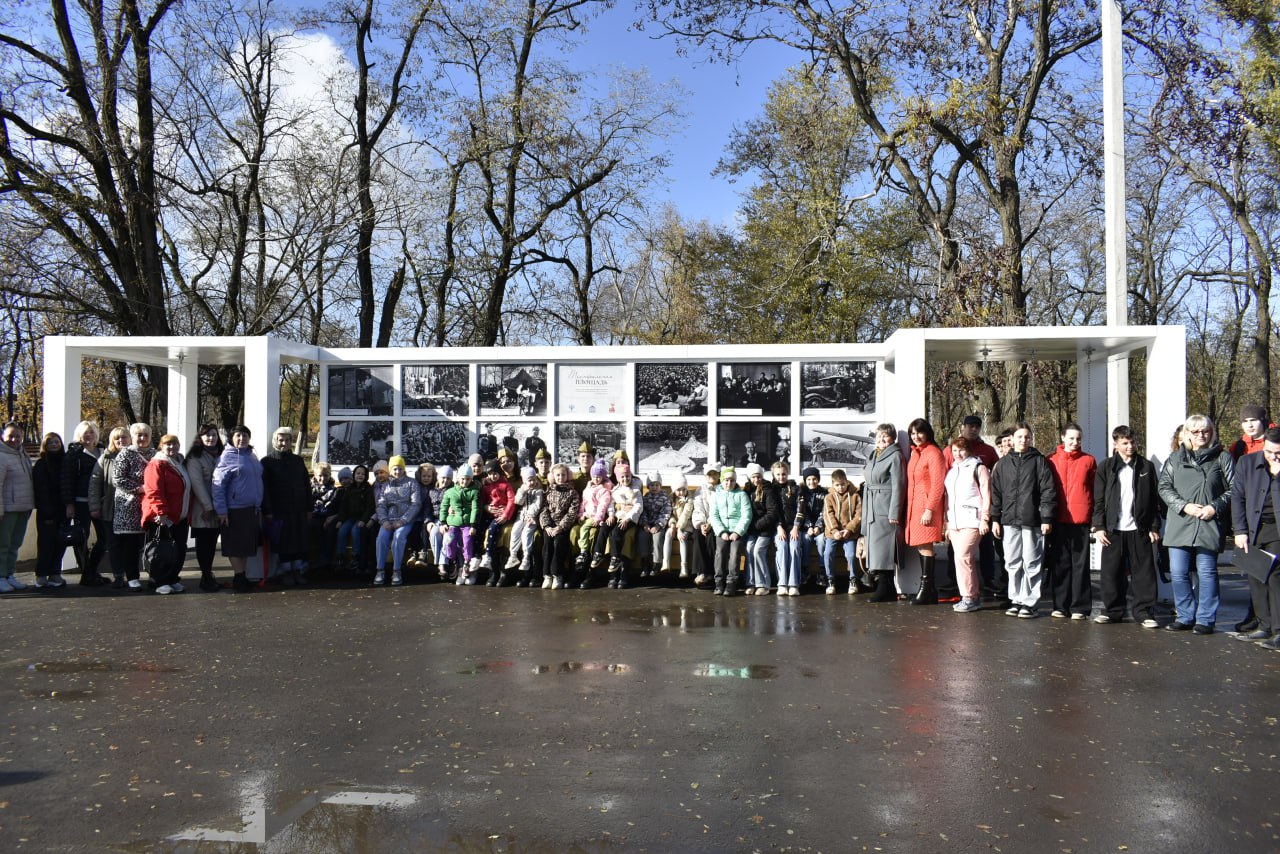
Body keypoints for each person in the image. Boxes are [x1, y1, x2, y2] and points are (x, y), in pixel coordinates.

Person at [1158, 414, 1233, 634]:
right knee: (1178, 572)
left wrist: (1214, 507)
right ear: (1187, 433)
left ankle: (1206, 619)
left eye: (1205, 431)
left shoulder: (1223, 458)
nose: (1201, 435)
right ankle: (1184, 616)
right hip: (1181, 521)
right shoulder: (1175, 459)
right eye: (1195, 431)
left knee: (1207, 571)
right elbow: (1164, 487)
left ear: (1212, 432)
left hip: (1208, 522)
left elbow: (1234, 488)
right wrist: (1184, 506)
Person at [1091, 425, 1162, 627]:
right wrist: (1099, 526)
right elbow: (1098, 500)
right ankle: (1113, 610)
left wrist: (1154, 526)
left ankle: (1144, 612)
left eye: (1132, 442)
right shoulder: (1106, 467)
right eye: (1125, 443)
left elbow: (1154, 500)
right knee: (1111, 572)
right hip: (1113, 530)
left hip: (1140, 529)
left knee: (1144, 573)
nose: (1130, 446)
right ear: (1115, 444)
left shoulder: (1146, 467)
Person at [989, 422, 1057, 618]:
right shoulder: (1002, 464)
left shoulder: (1039, 461)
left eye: (1027, 436)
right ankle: (1016, 599)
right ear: (1012, 439)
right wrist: (995, 519)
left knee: (1032, 561)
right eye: (1020, 437)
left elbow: (1047, 491)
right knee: (1012, 561)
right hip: (1009, 521)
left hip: (1032, 520)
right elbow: (996, 494)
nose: (1023, 440)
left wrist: (1046, 517)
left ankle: (1030, 602)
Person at [1230, 426, 1280, 650]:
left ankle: (1278, 630)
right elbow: (1238, 498)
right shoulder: (1247, 463)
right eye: (1270, 452)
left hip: (1277, 530)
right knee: (1255, 577)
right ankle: (1264, 625)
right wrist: (1239, 530)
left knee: (1275, 578)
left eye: (1278, 453)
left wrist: (1277, 477)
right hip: (1252, 529)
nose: (1273, 457)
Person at [1046, 423, 1097, 620]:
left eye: (1078, 439)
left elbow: (1094, 490)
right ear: (1063, 438)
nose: (1075, 442)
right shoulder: (1050, 460)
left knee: (1080, 565)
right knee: (1060, 564)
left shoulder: (1089, 461)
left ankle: (1080, 608)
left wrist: (1094, 518)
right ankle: (1060, 605)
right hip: (1058, 519)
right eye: (1071, 438)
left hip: (1081, 520)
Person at [1229, 404, 1270, 633]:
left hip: (1270, 514)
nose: (1250, 424)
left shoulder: (1273, 442)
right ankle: (1255, 613)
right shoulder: (1239, 447)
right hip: (1249, 515)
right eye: (1245, 421)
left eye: (1253, 420)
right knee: (1254, 571)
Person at [212, 425, 264, 593]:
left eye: (245, 436)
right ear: (231, 438)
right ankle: (238, 577)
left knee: (245, 546)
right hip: (234, 510)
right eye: (238, 436)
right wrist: (221, 511)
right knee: (235, 546)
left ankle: (242, 577)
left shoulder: (251, 455)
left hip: (251, 509)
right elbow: (218, 486)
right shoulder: (226, 457)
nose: (242, 439)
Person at [943, 436, 991, 613]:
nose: (957, 454)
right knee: (964, 559)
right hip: (955, 523)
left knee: (961, 556)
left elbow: (986, 495)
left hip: (972, 520)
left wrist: (985, 518)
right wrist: (947, 524)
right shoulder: (952, 470)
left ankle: (968, 596)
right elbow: (948, 499)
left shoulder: (978, 468)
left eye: (961, 450)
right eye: (954, 450)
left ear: (969, 450)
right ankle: (973, 596)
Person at [261, 427, 313, 586]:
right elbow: (265, 488)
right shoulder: (267, 461)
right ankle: (286, 572)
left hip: (298, 508)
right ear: (275, 441)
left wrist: (309, 507)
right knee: (283, 542)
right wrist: (268, 510)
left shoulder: (297, 460)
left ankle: (297, 570)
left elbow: (306, 484)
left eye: (287, 440)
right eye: (280, 440)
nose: (284, 443)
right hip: (279, 509)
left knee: (298, 540)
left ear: (291, 441)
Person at [141, 434, 192, 594]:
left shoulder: (178, 463)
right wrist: (161, 512)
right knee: (160, 551)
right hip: (162, 517)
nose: (172, 447)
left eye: (174, 444)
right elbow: (153, 490)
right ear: (161, 447)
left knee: (178, 550)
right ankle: (158, 581)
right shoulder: (156, 464)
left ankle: (172, 578)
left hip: (179, 516)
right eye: (167, 444)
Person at [61, 420, 109, 586]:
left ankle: (91, 570)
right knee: (82, 538)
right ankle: (87, 574)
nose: (88, 435)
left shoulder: (103, 451)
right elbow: (67, 480)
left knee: (105, 539)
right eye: (85, 432)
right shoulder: (74, 454)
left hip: (101, 502)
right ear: (79, 435)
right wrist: (69, 504)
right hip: (81, 502)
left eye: (91, 432)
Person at [904, 418, 946, 605]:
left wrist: (930, 509)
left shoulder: (934, 453)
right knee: (921, 545)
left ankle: (926, 588)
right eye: (913, 433)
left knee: (926, 545)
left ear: (927, 432)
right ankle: (930, 590)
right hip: (915, 507)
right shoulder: (915, 454)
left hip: (927, 508)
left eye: (919, 432)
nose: (916, 436)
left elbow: (938, 485)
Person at [112, 423, 156, 591]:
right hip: (129, 507)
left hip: (149, 506)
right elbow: (118, 479)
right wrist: (140, 488)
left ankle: (154, 574)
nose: (142, 438)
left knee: (150, 542)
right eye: (139, 435)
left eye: (146, 435)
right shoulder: (125, 454)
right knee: (130, 545)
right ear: (133, 436)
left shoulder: (154, 454)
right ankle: (132, 577)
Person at [862, 424, 903, 603]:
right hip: (872, 504)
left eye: (885, 436)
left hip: (884, 507)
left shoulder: (895, 456)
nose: (881, 439)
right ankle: (887, 587)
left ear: (892, 438)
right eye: (879, 436)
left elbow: (899, 486)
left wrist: (894, 511)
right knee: (876, 548)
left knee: (884, 549)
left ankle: (885, 587)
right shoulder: (874, 454)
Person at [185, 425, 225, 592]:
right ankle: (206, 576)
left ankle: (209, 575)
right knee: (204, 544)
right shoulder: (195, 458)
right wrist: (208, 507)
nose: (211, 438)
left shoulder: (222, 455)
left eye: (214, 435)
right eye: (207, 435)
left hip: (219, 507)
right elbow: (197, 484)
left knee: (211, 544)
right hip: (203, 509)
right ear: (200, 438)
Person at [89, 427, 129, 588]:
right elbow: (94, 484)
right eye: (117, 438)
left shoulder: (136, 455)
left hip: (131, 509)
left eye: (124, 437)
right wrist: (95, 506)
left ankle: (132, 574)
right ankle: (118, 574)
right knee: (113, 544)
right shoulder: (105, 458)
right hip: (110, 508)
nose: (121, 441)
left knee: (130, 544)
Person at [373, 455, 419, 586]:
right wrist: (384, 520)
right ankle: (380, 570)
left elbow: (416, 504)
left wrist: (403, 521)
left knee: (398, 537)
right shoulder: (386, 485)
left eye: (400, 469)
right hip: (388, 520)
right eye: (394, 469)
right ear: (390, 470)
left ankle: (397, 570)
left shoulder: (412, 483)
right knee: (381, 538)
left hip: (405, 520)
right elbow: (381, 504)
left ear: (403, 469)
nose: (397, 472)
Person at [32, 432, 70, 588]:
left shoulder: (65, 462)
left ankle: (55, 573)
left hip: (63, 509)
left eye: (57, 441)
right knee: (46, 543)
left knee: (60, 542)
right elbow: (40, 490)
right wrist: (47, 511)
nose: (54, 444)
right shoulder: (41, 464)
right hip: (47, 510)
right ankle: (41, 574)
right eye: (50, 442)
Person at [0, 422, 34, 592]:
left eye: (17, 436)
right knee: (3, 545)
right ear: (3, 437)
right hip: (8, 509)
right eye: (10, 436)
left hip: (23, 507)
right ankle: (1, 576)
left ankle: (10, 575)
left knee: (15, 544)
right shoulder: (1, 455)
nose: (14, 439)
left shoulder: (22, 454)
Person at [709, 466, 751, 596]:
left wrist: (737, 531)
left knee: (735, 554)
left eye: (732, 480)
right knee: (720, 552)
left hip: (737, 531)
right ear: (721, 481)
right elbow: (714, 515)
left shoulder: (741, 495)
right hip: (722, 530)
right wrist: (721, 531)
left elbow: (746, 515)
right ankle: (719, 582)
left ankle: (731, 583)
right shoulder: (716, 495)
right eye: (726, 480)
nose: (729, 483)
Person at [540, 463, 581, 589]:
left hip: (563, 525)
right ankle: (547, 575)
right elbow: (544, 509)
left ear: (567, 476)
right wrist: (547, 526)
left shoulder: (572, 493)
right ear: (553, 476)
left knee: (558, 543)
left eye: (563, 475)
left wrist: (560, 527)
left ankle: (557, 574)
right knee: (547, 544)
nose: (560, 477)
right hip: (550, 525)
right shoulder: (548, 491)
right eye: (558, 475)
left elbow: (572, 513)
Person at [822, 469, 862, 595]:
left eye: (843, 484)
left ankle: (853, 579)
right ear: (833, 485)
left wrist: (849, 529)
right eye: (837, 485)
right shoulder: (829, 497)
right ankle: (830, 579)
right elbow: (828, 515)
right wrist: (834, 531)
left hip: (849, 533)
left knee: (851, 554)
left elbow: (859, 515)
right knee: (828, 552)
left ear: (847, 482)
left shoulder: (855, 496)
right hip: (833, 533)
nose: (840, 487)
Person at [743, 463, 780, 595]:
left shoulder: (767, 489)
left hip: (765, 529)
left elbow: (772, 512)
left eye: (758, 477)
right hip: (752, 529)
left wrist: (758, 525)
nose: (756, 480)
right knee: (749, 549)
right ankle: (750, 582)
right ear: (749, 478)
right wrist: (750, 526)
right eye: (753, 477)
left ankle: (763, 584)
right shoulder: (747, 490)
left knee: (758, 550)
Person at [478, 459, 516, 584]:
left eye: (495, 473)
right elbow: (482, 501)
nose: (493, 476)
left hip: (502, 517)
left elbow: (511, 501)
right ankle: (489, 567)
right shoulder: (486, 486)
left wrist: (505, 515)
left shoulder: (505, 485)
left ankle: (495, 565)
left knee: (494, 531)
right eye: (490, 474)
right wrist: (486, 507)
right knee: (481, 531)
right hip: (490, 515)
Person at [506, 465, 544, 586]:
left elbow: (537, 505)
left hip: (532, 518)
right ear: (524, 481)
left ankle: (526, 557)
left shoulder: (539, 491)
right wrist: (523, 491)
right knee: (515, 531)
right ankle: (513, 555)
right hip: (521, 516)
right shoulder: (522, 489)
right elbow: (518, 502)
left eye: (533, 479)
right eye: (529, 480)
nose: (532, 482)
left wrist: (531, 515)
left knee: (526, 533)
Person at [334, 465, 375, 573]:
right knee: (342, 531)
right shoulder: (350, 489)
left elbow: (370, 507)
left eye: (363, 474)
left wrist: (364, 520)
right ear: (354, 475)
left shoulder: (368, 489)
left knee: (355, 531)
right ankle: (340, 557)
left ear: (366, 476)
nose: (360, 476)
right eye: (358, 473)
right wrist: (340, 520)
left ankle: (355, 557)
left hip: (361, 518)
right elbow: (344, 506)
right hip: (350, 517)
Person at [795, 467, 827, 596]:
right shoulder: (802, 493)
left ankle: (822, 570)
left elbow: (824, 513)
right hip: (805, 527)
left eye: (814, 479)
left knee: (821, 540)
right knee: (806, 539)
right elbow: (802, 512)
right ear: (805, 480)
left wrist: (818, 527)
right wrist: (808, 526)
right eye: (808, 479)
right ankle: (805, 569)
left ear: (818, 480)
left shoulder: (823, 493)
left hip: (821, 527)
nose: (811, 482)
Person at [771, 461, 802, 596]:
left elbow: (801, 509)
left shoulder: (795, 488)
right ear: (773, 474)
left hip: (793, 526)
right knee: (782, 547)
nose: (781, 477)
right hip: (779, 528)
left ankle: (794, 584)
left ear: (787, 473)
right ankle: (782, 583)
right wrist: (778, 527)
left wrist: (796, 527)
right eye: (778, 474)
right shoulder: (771, 489)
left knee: (794, 546)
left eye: (783, 474)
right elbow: (772, 511)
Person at [690, 464, 720, 587]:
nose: (712, 476)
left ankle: (712, 572)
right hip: (703, 521)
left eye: (714, 474)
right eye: (709, 474)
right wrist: (702, 523)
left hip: (717, 522)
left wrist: (711, 523)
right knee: (697, 534)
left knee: (711, 537)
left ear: (719, 475)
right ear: (705, 476)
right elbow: (698, 508)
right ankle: (701, 572)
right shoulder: (700, 490)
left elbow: (720, 509)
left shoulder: (723, 488)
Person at [639, 472, 672, 579]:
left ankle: (656, 563)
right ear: (648, 487)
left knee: (657, 538)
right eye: (652, 485)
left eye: (657, 485)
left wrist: (658, 525)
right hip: (647, 524)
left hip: (659, 525)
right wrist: (645, 524)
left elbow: (666, 513)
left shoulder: (664, 498)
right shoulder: (645, 498)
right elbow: (642, 512)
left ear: (660, 486)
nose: (654, 487)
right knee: (643, 536)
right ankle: (645, 564)